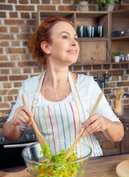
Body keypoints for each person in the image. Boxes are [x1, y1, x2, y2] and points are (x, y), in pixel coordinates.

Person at [3, 15, 124, 157]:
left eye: (75, 38)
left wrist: (106, 124)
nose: (75, 43)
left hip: (89, 166)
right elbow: (11, 135)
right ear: (47, 47)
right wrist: (14, 123)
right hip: (51, 168)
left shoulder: (87, 85)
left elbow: (118, 134)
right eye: (65, 37)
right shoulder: (29, 87)